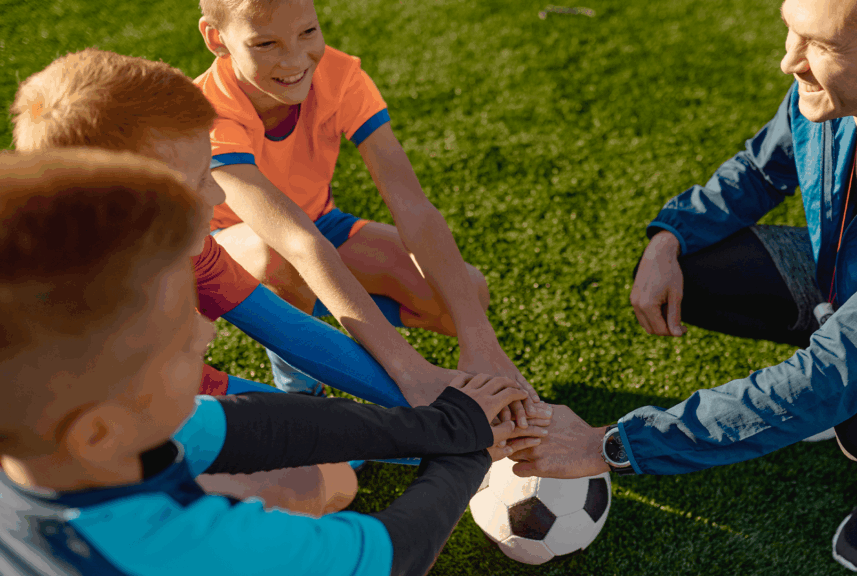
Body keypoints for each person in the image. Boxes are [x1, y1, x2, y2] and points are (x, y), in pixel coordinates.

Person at [508, 1, 857, 572]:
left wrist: (611, 445)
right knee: (694, 267)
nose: (789, 62)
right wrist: (671, 236)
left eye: (820, 46)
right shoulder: (843, 84)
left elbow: (841, 368)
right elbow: (762, 167)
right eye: (790, 31)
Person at [0, 148, 539, 576]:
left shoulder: (75, 431)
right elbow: (392, 555)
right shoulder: (183, 549)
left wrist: (443, 425)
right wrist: (466, 454)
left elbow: (259, 427)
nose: (202, 340)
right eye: (178, 346)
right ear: (97, 434)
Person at [192, 0, 548, 426]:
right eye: (265, 43)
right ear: (217, 39)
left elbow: (412, 205)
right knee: (280, 254)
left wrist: (481, 342)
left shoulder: (340, 75)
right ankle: (300, 384)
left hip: (320, 227)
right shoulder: (206, 114)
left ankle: (327, 321)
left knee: (469, 293)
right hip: (226, 253)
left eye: (308, 32)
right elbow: (296, 241)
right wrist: (409, 370)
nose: (293, 59)